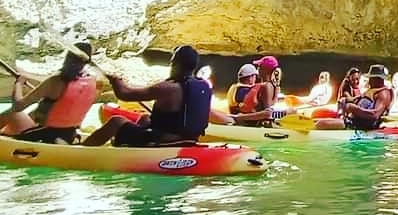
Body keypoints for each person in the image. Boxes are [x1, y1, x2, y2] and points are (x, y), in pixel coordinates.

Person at [83, 45, 211, 147]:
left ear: (175, 64)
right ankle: (129, 145)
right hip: (190, 138)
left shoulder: (168, 88)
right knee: (145, 118)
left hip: (164, 139)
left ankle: (83, 150)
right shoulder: (203, 86)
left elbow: (124, 94)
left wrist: (116, 82)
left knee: (116, 121)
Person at [0, 42, 98, 144]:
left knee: (13, 113)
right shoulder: (91, 81)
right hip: (69, 135)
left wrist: (19, 84)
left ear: (68, 56)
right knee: (33, 113)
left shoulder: (56, 80)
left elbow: (18, 106)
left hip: (44, 135)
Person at [340, 65, 394, 130]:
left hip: (360, 125)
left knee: (325, 123)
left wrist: (354, 109)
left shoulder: (383, 93)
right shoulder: (372, 90)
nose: (369, 81)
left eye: (371, 78)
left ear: (378, 79)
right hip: (353, 121)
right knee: (325, 122)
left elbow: (375, 115)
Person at [231, 56, 280, 125]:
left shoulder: (266, 86)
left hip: (251, 121)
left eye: (259, 66)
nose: (257, 69)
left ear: (265, 70)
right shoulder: (269, 85)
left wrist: (239, 117)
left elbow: (268, 112)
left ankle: (237, 118)